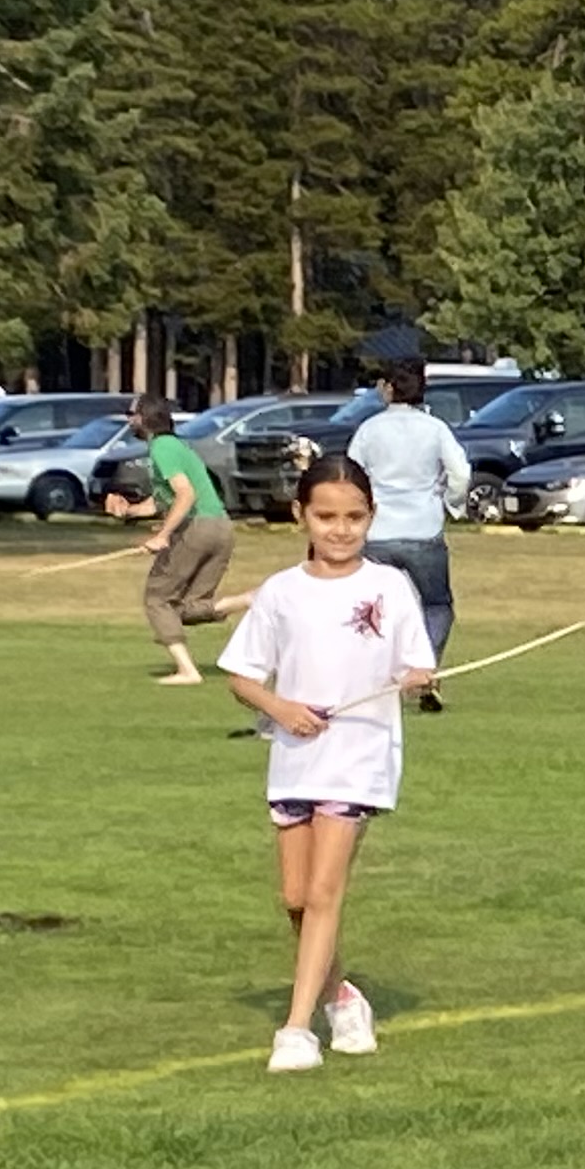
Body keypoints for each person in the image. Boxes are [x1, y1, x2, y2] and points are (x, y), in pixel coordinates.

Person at [214, 456, 436, 1070]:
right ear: (301, 515)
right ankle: (342, 997)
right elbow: (240, 675)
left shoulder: (390, 586)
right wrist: (281, 709)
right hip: (294, 757)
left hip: (359, 756)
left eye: (354, 517)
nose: (340, 529)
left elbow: (413, 665)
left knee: (322, 892)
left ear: (371, 517)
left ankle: (295, 1030)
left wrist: (420, 680)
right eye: (327, 516)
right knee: (293, 896)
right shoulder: (282, 591)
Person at [347, 361, 473, 705]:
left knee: (373, 607)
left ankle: (371, 676)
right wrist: (451, 502)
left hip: (377, 532)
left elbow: (351, 474)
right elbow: (460, 473)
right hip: (423, 529)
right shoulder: (434, 428)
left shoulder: (369, 429)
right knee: (436, 606)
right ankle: (424, 672)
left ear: (388, 388)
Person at [113, 394, 244, 685]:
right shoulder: (175, 446)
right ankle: (251, 599)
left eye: (131, 413)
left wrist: (162, 536)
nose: (128, 419)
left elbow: (186, 495)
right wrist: (129, 511)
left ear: (145, 417)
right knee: (186, 607)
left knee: (158, 598)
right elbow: (161, 502)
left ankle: (187, 671)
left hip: (198, 527)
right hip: (221, 527)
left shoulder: (162, 447)